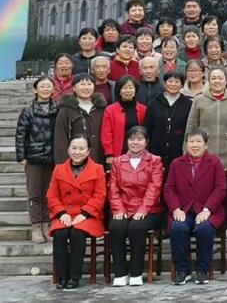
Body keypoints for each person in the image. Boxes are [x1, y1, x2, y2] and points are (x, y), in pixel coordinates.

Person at [164, 129, 227, 285]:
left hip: (208, 210)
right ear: (186, 144)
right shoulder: (177, 163)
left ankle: (202, 270)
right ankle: (182, 270)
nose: (194, 145)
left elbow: (220, 188)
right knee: (178, 227)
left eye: (198, 141)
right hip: (184, 209)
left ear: (205, 145)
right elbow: (169, 188)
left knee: (204, 228)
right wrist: (176, 209)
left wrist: (207, 209)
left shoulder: (214, 162)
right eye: (191, 141)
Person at [187, 67, 227, 237]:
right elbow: (191, 127)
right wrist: (187, 151)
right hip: (205, 153)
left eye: (220, 78)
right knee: (204, 191)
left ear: (226, 80)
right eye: (214, 78)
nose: (217, 81)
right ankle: (204, 225)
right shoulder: (199, 100)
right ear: (208, 80)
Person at [47, 134, 107, 290]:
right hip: (65, 213)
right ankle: (62, 276)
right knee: (60, 234)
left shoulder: (98, 169)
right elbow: (52, 195)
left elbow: (100, 195)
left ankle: (75, 276)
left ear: (88, 151)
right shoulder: (59, 169)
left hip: (89, 215)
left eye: (81, 148)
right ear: (68, 150)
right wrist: (62, 213)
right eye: (74, 148)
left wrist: (84, 214)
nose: (77, 152)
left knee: (77, 233)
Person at [108, 126, 164, 286]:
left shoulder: (155, 161)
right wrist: (118, 209)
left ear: (146, 142)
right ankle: (120, 272)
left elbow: (154, 187)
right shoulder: (118, 161)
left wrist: (143, 209)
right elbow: (113, 188)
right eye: (132, 139)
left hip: (149, 209)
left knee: (137, 227)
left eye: (140, 139)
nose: (135, 142)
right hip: (124, 207)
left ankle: (136, 272)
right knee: (116, 226)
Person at [15, 76, 58, 243]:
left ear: (53, 89)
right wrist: (21, 156)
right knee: (35, 194)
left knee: (49, 193)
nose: (46, 89)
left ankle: (47, 224)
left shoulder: (57, 109)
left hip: (52, 157)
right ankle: (36, 226)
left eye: (48, 86)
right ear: (35, 89)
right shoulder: (28, 111)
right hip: (33, 158)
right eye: (42, 86)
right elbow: (20, 135)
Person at [145, 71, 193, 175]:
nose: (173, 84)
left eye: (177, 81)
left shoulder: (188, 104)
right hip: (156, 151)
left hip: (179, 151)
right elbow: (147, 127)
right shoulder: (154, 103)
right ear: (164, 83)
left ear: (182, 84)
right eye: (170, 81)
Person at [53, 74, 106, 164]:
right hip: (75, 161)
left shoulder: (101, 109)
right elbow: (60, 139)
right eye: (82, 84)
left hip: (99, 159)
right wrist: (63, 164)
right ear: (74, 88)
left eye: (89, 84)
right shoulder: (66, 110)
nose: (86, 87)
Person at [102, 76, 147, 163]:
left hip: (139, 152)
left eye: (131, 87)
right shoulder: (110, 110)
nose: (128, 91)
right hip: (118, 152)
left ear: (135, 90)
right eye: (124, 88)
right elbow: (106, 134)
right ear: (119, 90)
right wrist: (109, 154)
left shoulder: (143, 109)